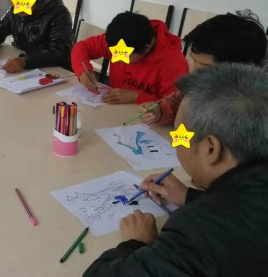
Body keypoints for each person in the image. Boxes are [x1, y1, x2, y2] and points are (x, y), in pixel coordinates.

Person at [84, 64, 268, 276]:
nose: (174, 142)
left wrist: (134, 244)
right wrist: (190, 197)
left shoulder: (198, 231)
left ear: (211, 149)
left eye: (179, 135)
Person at [139, 10, 268, 126]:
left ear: (246, 67)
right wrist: (160, 111)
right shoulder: (208, 81)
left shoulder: (256, 106)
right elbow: (177, 101)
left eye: (207, 66)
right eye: (193, 60)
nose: (194, 71)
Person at [72, 11, 188, 104]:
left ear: (146, 48)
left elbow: (174, 105)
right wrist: (82, 70)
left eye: (125, 55)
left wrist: (136, 96)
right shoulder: (120, 40)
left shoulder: (174, 63)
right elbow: (82, 47)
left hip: (146, 118)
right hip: (113, 109)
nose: (118, 57)